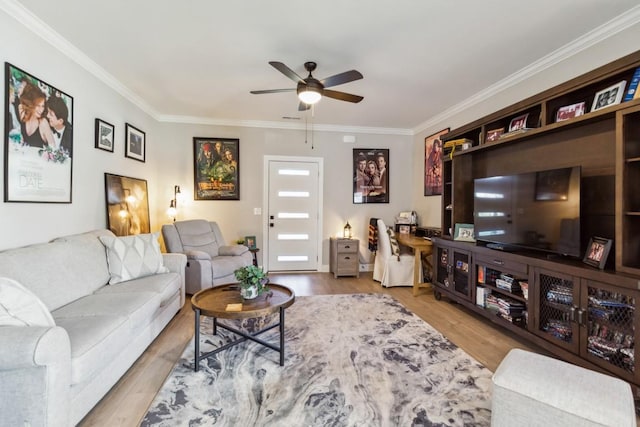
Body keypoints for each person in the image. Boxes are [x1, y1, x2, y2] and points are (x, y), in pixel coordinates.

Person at [17, 81, 55, 148]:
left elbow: (53, 149)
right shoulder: (23, 115)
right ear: (31, 104)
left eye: (43, 106)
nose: (41, 109)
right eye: (38, 105)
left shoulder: (43, 123)